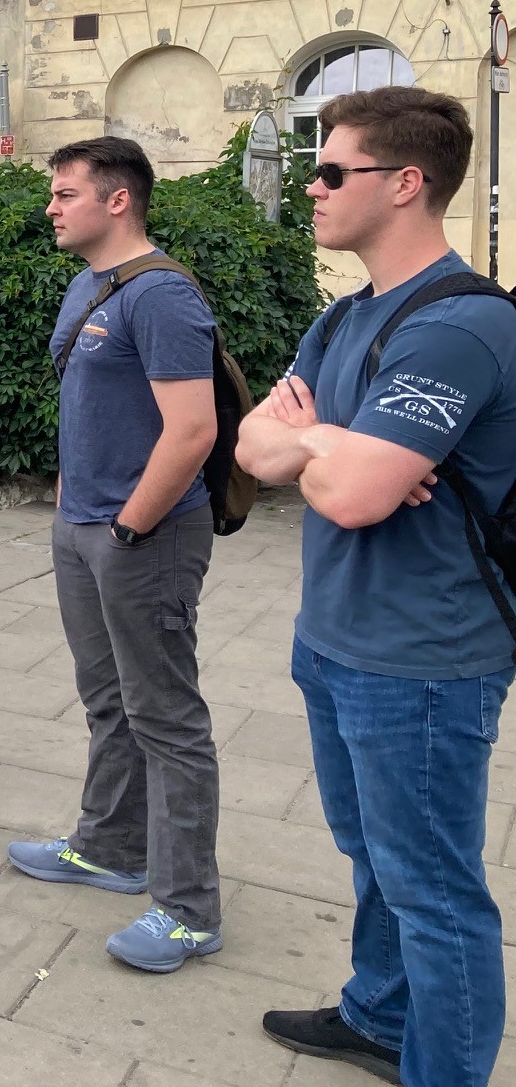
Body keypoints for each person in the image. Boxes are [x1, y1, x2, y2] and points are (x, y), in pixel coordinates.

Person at [236, 89, 516, 1086]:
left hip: (425, 660)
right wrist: (329, 441)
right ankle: (380, 1016)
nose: (309, 187)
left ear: (405, 185)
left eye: (330, 170)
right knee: (371, 853)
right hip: (337, 635)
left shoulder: (461, 327)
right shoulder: (348, 315)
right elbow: (251, 441)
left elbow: (350, 497)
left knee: (434, 892)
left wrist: (318, 448)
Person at [6, 137, 224, 973]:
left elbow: (194, 430)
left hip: (147, 536)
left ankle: (188, 908)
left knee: (167, 719)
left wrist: (129, 526)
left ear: (118, 199)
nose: (52, 208)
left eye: (66, 194)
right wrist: (72, 498)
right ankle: (109, 847)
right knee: (109, 703)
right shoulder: (88, 286)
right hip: (84, 528)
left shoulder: (161, 295)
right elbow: (92, 403)